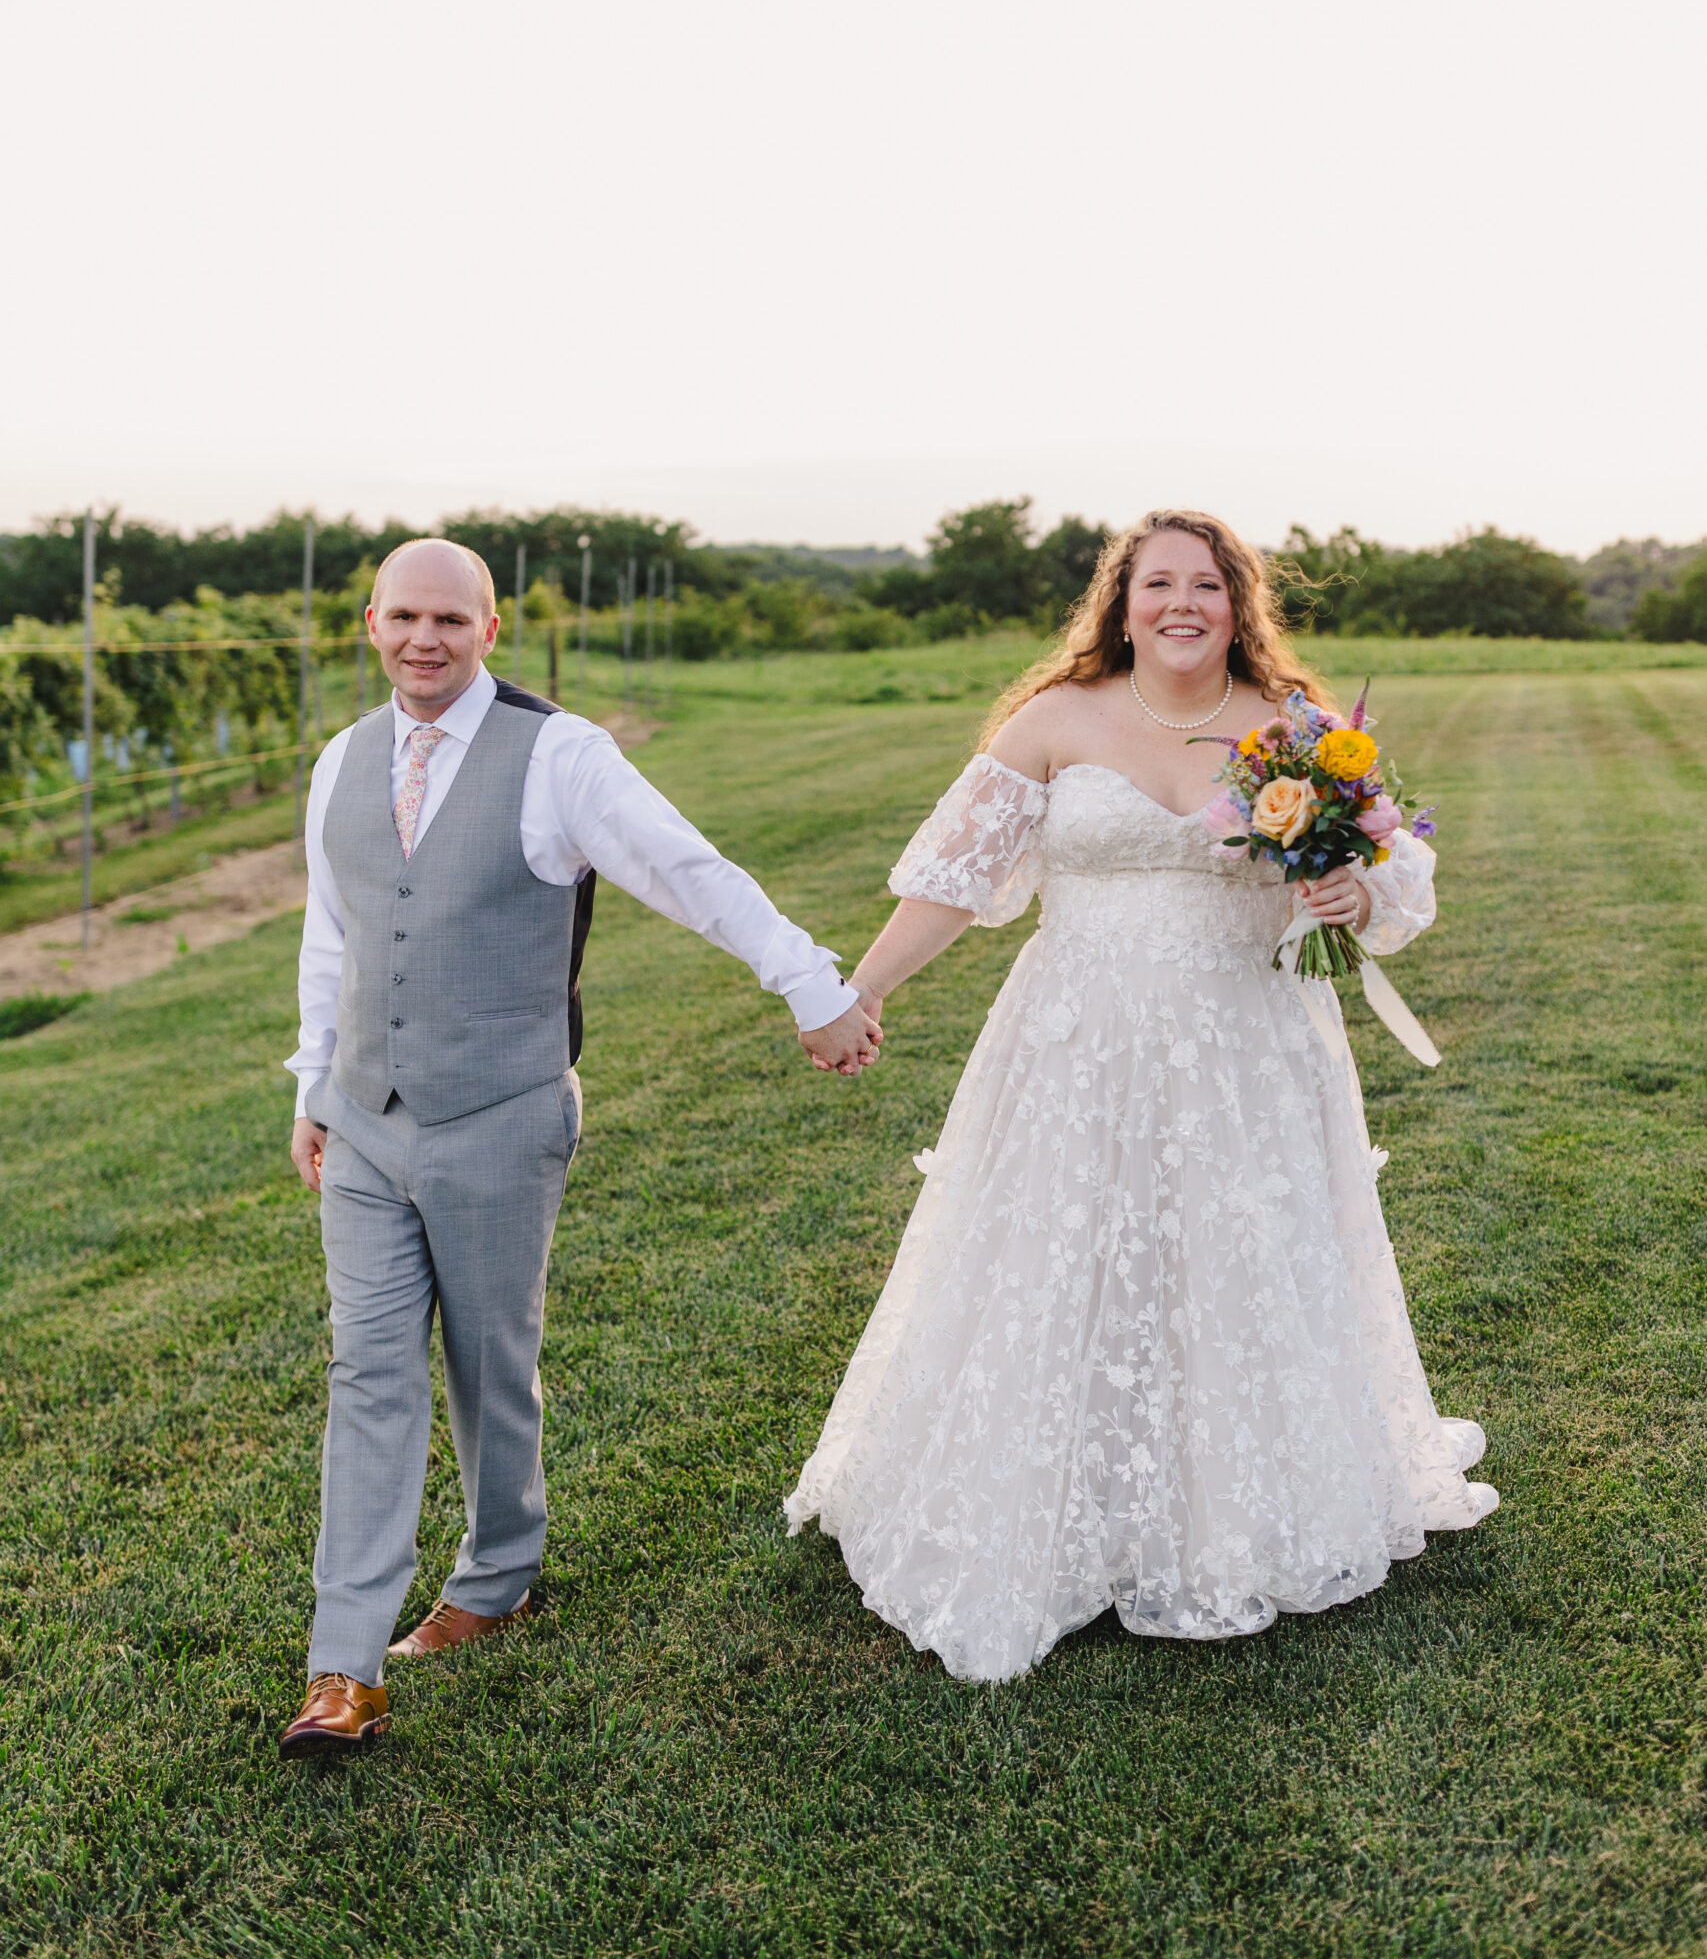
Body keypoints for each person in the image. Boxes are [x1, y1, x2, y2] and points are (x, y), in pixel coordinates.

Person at [786, 509, 1497, 1683]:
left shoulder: (1297, 731)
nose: (1182, 604)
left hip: (1248, 1044)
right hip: (1077, 1043)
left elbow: (1388, 868)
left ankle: (1237, 1506)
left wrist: (1353, 901)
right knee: (1065, 1255)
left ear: (1238, 604)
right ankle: (1065, 1503)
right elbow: (954, 884)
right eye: (1157, 583)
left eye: (1206, 586)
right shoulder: (1056, 721)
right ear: (1120, 603)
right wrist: (856, 991)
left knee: (1234, 1257)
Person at [278, 538, 879, 1757]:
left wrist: (808, 983)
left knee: (493, 1364)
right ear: (370, 623)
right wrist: (311, 1083)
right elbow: (331, 933)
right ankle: (342, 1669)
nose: (424, 638)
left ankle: (497, 1576)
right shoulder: (342, 759)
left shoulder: (560, 754)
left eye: (451, 617)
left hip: (501, 1111)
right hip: (364, 1124)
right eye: (403, 616)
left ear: (491, 627)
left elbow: (686, 870)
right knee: (369, 1376)